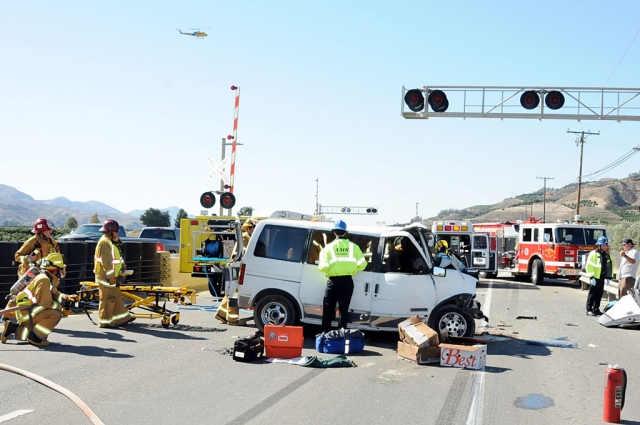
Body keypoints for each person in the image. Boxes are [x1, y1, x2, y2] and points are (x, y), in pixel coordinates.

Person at [2, 253, 77, 346]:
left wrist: (66, 297)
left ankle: (13, 328)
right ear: (54, 270)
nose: (61, 272)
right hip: (26, 312)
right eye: (60, 269)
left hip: (25, 310)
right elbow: (46, 303)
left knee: (47, 313)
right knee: (55, 314)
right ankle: (36, 338)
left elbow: (54, 293)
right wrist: (61, 307)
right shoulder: (44, 280)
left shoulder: (44, 276)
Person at [318, 220, 367, 333]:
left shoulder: (329, 248)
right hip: (347, 281)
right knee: (343, 310)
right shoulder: (354, 247)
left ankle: (325, 334)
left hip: (333, 281)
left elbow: (322, 267)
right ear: (345, 232)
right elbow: (363, 265)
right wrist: (352, 269)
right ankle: (342, 335)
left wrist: (331, 272)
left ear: (334, 232)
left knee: (328, 309)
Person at [94, 219, 133, 328]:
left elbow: (116, 258)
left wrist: (123, 266)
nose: (118, 233)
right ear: (111, 232)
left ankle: (121, 319)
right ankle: (104, 321)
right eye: (117, 231)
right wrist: (111, 277)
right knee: (107, 299)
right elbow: (107, 263)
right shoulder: (105, 243)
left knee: (116, 297)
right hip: (106, 278)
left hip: (113, 276)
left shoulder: (111, 242)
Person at [585, 236, 615, 316]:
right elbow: (589, 266)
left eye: (606, 245)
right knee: (592, 294)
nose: (605, 246)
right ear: (599, 245)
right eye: (604, 245)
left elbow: (609, 266)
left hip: (602, 277)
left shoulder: (606, 255)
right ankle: (589, 309)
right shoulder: (593, 254)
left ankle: (596, 309)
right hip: (595, 277)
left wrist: (608, 277)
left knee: (599, 294)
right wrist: (591, 277)